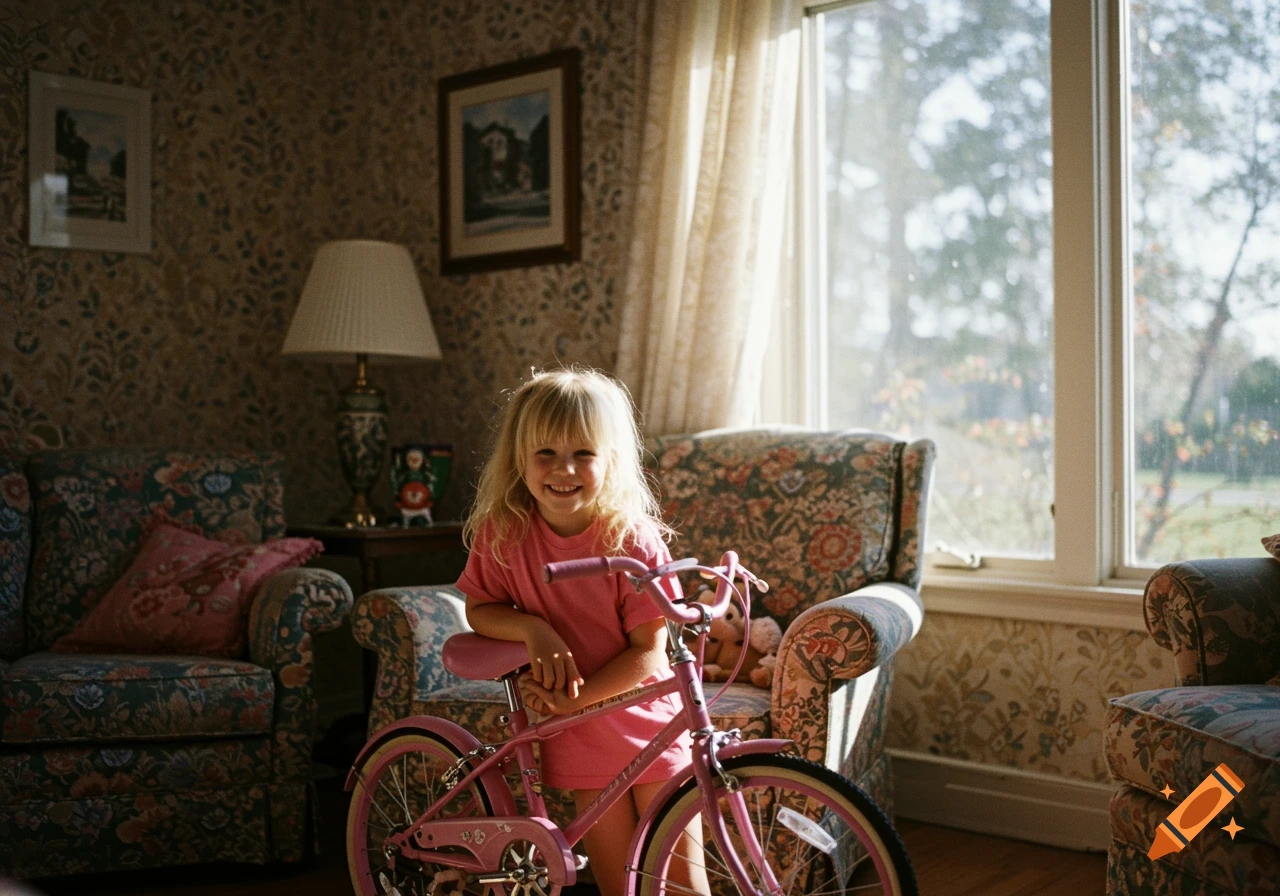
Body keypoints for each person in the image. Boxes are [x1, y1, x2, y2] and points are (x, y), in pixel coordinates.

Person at [457, 367, 708, 896]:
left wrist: (577, 702)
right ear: (518, 459)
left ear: (610, 459)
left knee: (683, 885)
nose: (563, 469)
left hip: (646, 722)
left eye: (583, 454)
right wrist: (533, 628)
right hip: (579, 740)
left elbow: (649, 652)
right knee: (621, 886)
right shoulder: (504, 533)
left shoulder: (631, 539)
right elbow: (480, 608)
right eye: (545, 453)